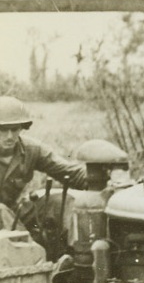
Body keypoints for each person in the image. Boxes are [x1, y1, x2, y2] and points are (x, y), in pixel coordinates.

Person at [0, 95, 88, 234]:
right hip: (3, 215)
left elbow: (69, 172)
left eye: (15, 129)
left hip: (11, 213)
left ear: (22, 128)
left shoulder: (32, 150)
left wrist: (106, 179)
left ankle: (76, 251)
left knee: (60, 201)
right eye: (3, 129)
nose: (10, 136)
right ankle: (23, 250)